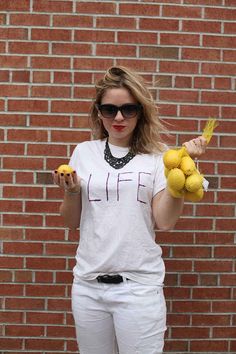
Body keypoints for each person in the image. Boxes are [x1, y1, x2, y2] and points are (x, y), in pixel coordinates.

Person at [53, 66, 207, 354]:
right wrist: (72, 192)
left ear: (141, 112)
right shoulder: (83, 153)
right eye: (109, 109)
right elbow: (71, 221)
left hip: (138, 288)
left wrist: (179, 182)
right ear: (99, 113)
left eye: (129, 109)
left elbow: (165, 221)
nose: (119, 117)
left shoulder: (161, 156)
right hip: (88, 287)